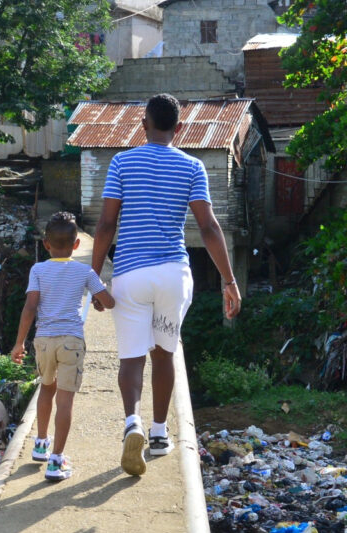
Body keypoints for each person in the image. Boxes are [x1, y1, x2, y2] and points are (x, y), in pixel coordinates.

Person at [91, 92, 242, 477]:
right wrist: (228, 279)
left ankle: (132, 424)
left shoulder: (121, 161)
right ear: (179, 128)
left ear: (143, 125)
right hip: (173, 275)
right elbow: (208, 227)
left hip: (130, 274)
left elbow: (106, 225)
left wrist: (93, 278)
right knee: (164, 352)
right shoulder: (192, 167)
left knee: (130, 358)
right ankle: (159, 434)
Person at [12, 212, 116, 481]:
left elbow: (30, 307)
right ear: (77, 245)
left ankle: (41, 444)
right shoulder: (85, 271)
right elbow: (109, 301)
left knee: (47, 389)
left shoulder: (38, 270)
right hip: (71, 341)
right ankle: (57, 461)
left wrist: (19, 342)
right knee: (66, 399)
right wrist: (99, 300)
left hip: (44, 340)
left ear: (46, 243)